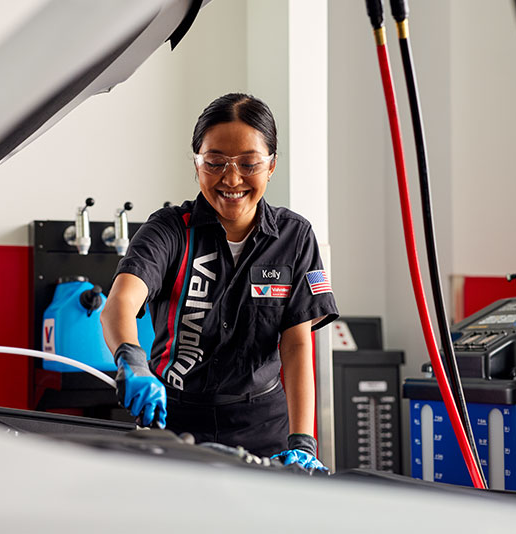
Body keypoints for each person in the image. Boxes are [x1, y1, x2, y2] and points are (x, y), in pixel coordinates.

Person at [101, 93, 338, 470]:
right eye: (214, 163)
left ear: (272, 165)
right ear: (196, 165)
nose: (231, 179)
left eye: (248, 164)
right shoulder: (169, 231)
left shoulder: (295, 237)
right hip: (173, 422)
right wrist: (131, 359)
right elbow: (121, 301)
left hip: (264, 429)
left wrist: (303, 442)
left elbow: (296, 345)